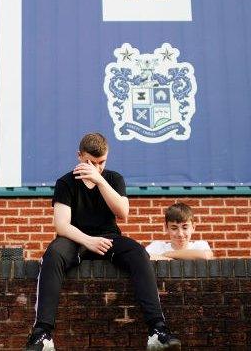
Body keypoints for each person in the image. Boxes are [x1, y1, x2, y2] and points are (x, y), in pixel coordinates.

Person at [25, 132, 181, 351]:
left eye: (101, 162)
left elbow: (123, 213)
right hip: (75, 239)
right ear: (79, 156)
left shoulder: (113, 179)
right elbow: (61, 225)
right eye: (90, 162)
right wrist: (88, 241)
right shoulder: (66, 182)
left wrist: (99, 180)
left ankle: (158, 330)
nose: (96, 167)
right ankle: (42, 334)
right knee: (53, 254)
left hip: (109, 238)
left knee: (138, 253)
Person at [145, 203, 214, 261]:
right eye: (174, 228)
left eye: (185, 227)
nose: (180, 234)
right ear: (166, 228)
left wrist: (167, 255)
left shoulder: (199, 245)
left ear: (193, 227)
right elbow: (143, 258)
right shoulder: (157, 247)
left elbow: (206, 256)